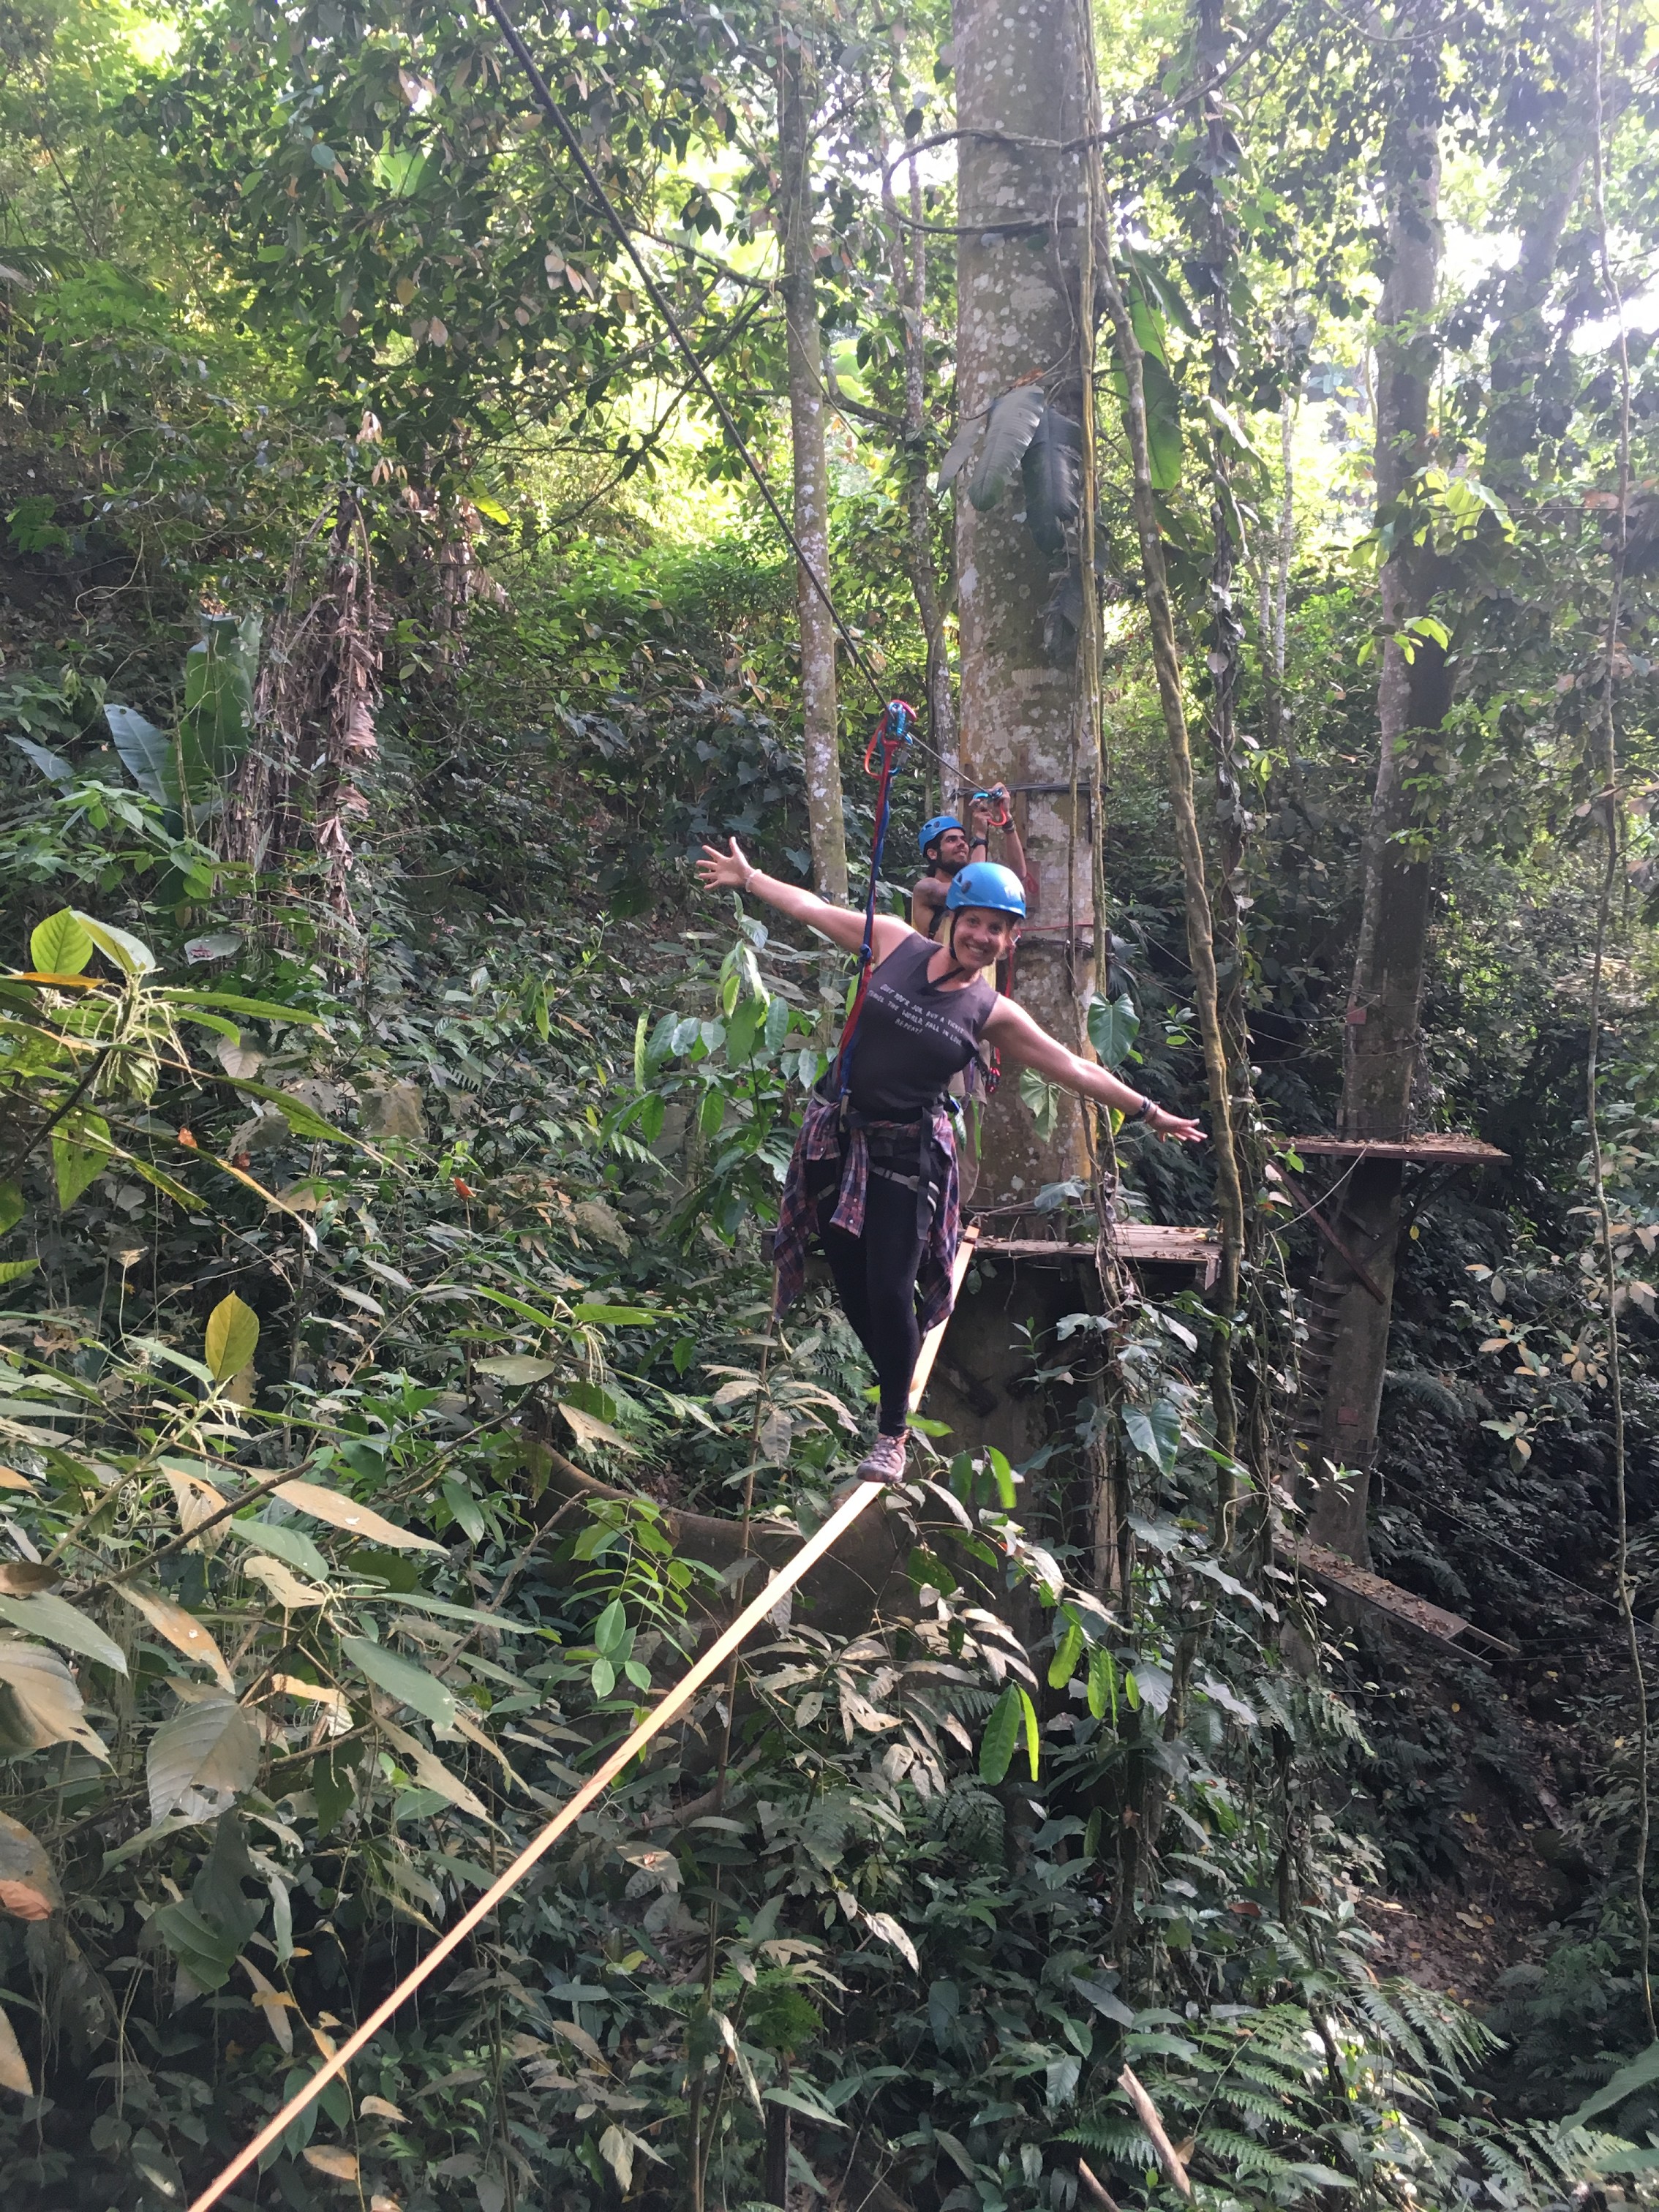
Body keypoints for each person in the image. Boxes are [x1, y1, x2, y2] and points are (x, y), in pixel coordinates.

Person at [696, 836, 1204, 1483]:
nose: (985, 938)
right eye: (977, 923)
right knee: (851, 1283)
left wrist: (1148, 1112)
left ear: (1010, 940)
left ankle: (891, 1437)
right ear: (952, 920)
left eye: (999, 930)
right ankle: (895, 1386)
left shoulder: (992, 1012)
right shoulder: (893, 943)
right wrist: (750, 878)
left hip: (905, 1156)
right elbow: (811, 909)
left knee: (887, 1286)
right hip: (839, 1138)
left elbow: (1073, 1064)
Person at [911, 783, 1031, 939]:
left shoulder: (978, 880)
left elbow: (1018, 874)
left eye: (963, 839)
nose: (961, 843)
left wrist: (1006, 819)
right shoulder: (926, 889)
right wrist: (980, 834)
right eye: (951, 840)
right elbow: (970, 890)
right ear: (933, 854)